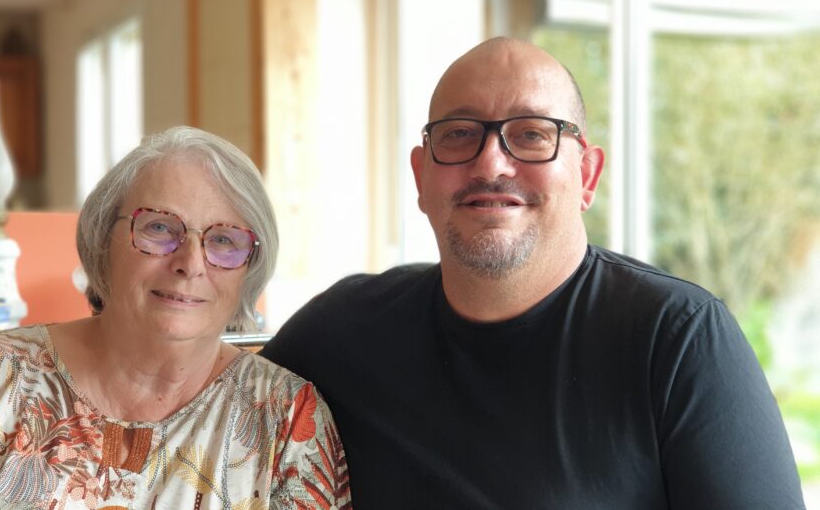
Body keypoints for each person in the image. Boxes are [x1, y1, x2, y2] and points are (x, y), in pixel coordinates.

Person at [260, 38, 805, 508]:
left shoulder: (680, 339)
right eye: (458, 134)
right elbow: (204, 414)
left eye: (531, 134)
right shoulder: (343, 332)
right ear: (422, 178)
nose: (491, 163)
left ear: (587, 175)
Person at [0, 127, 351, 509]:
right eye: (160, 228)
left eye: (223, 240)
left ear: (249, 268)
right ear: (102, 241)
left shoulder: (286, 419)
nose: (190, 263)